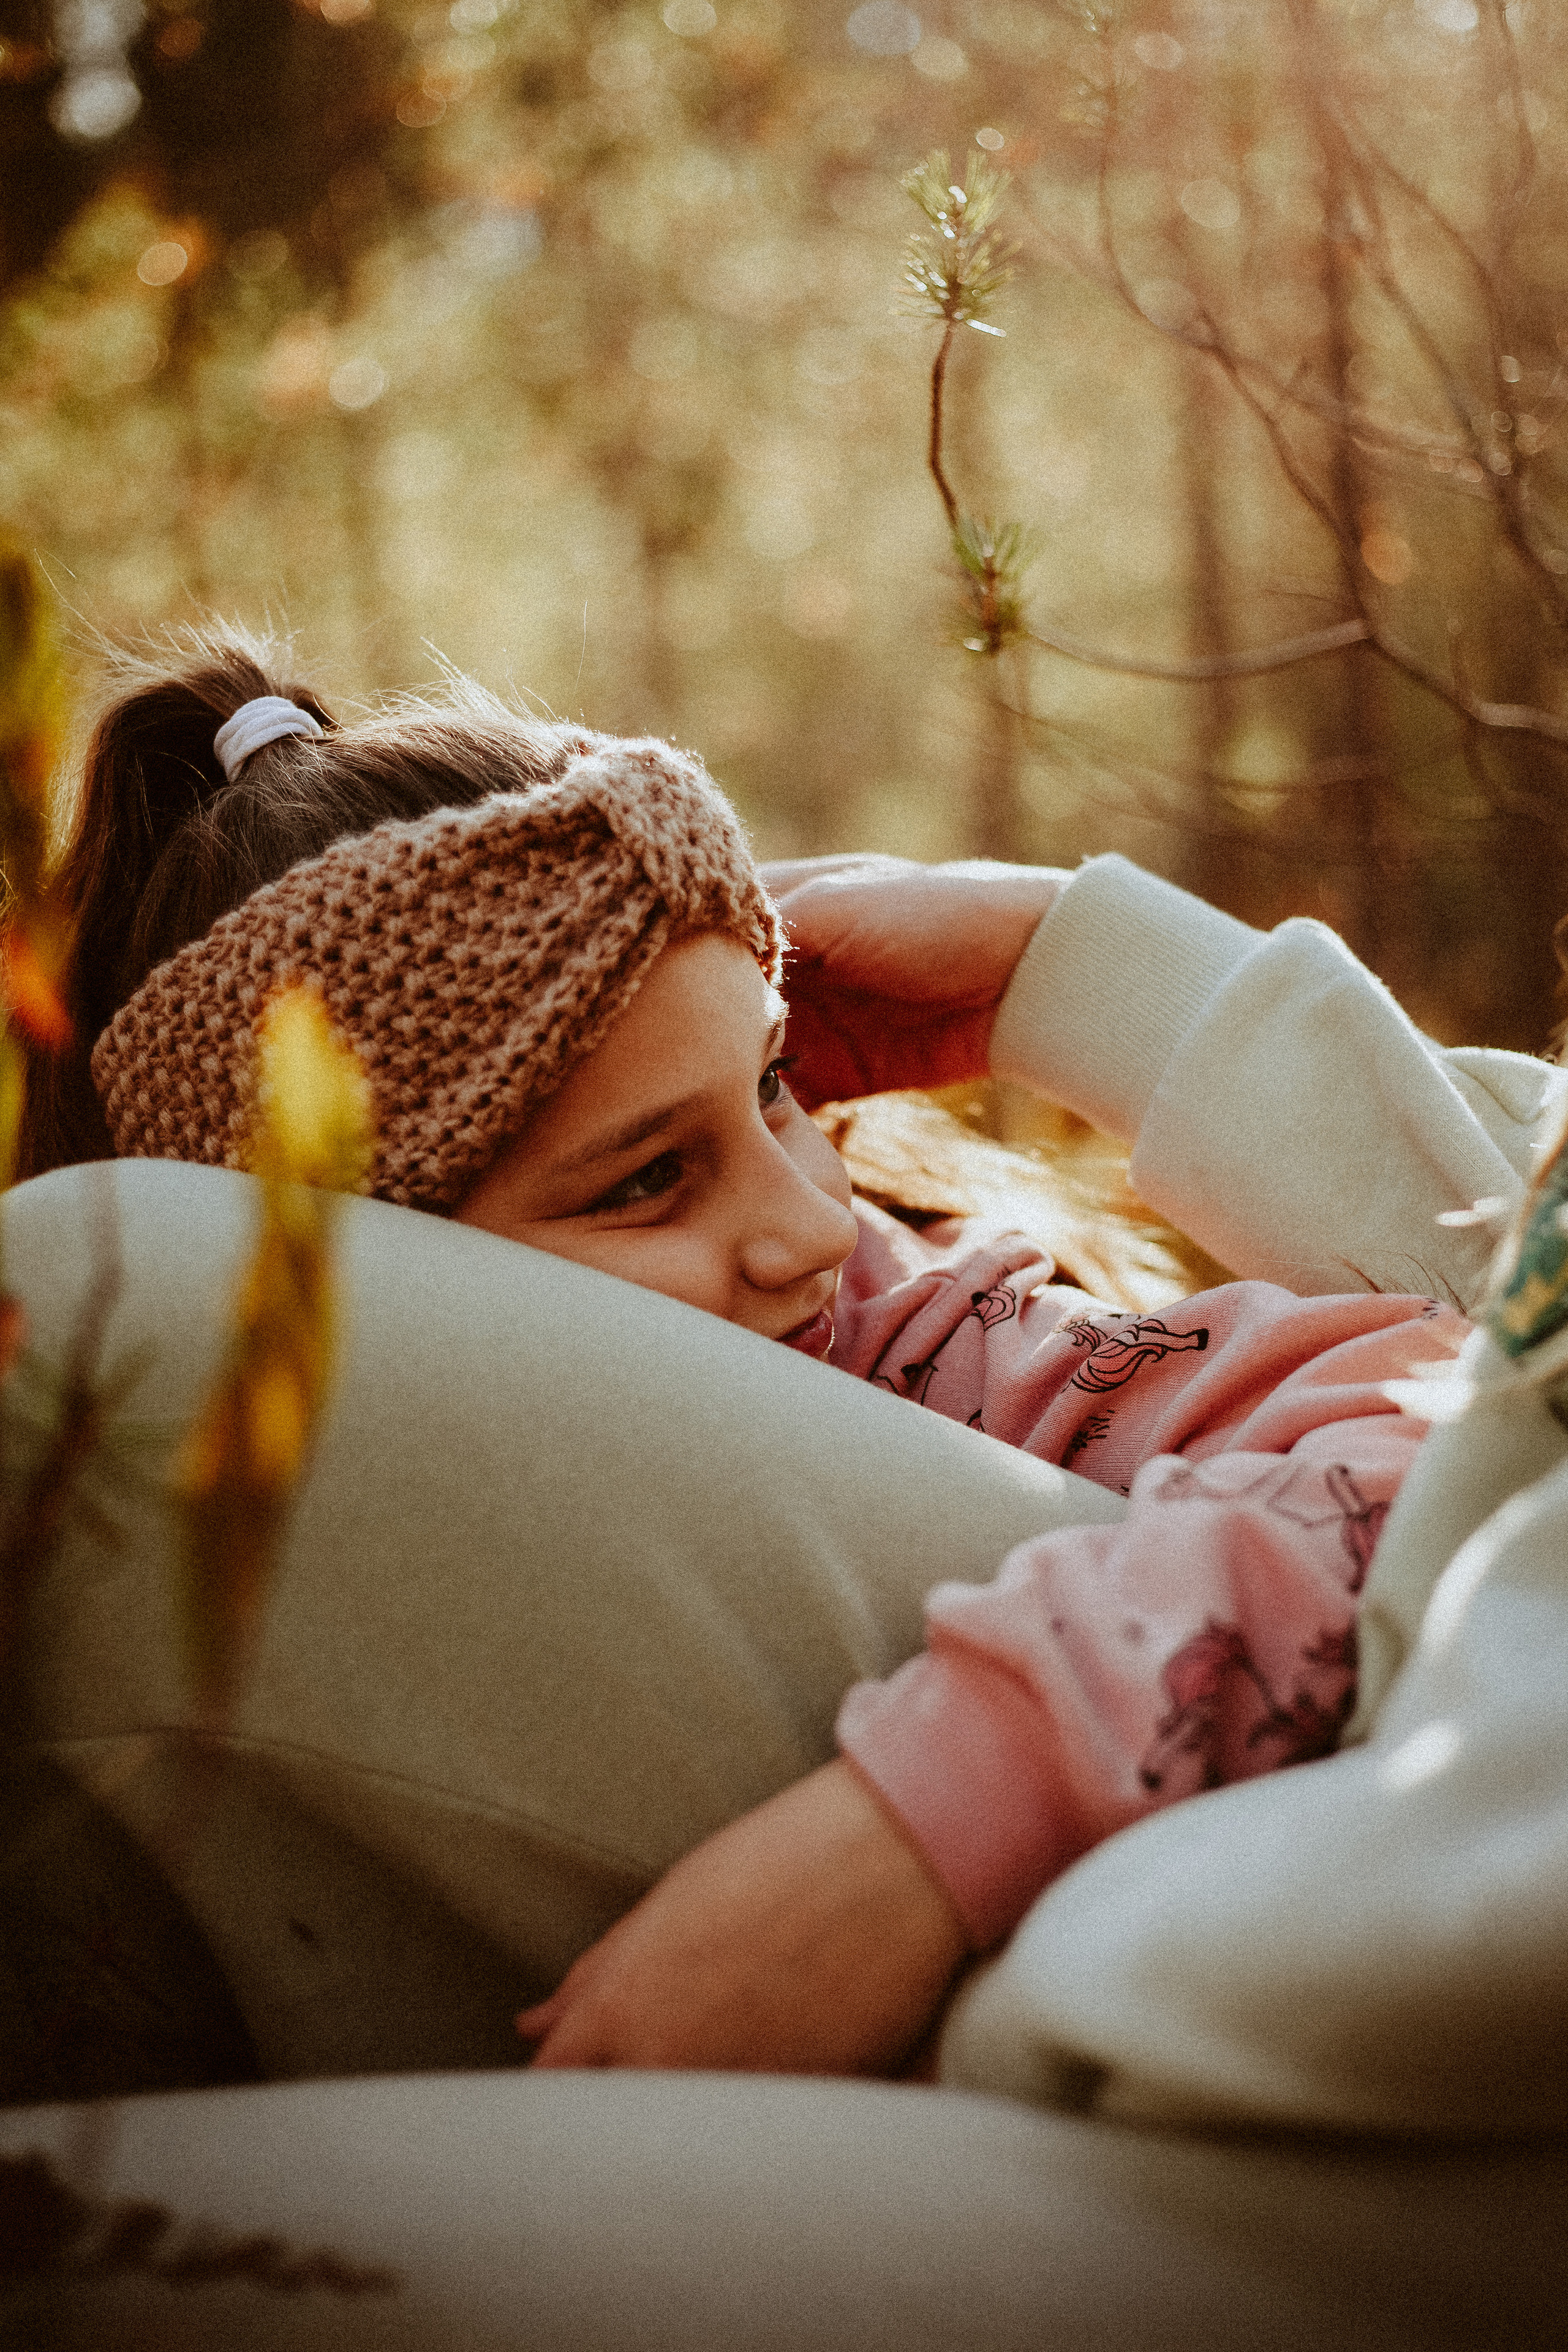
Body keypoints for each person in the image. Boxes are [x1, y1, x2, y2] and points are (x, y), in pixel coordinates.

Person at [40, 633, 1473, 2079]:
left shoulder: (930, 1351)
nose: (812, 1224)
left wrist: (932, 1812)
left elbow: (1434, 1426)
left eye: (773, 1084)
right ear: (382, 1284)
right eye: (647, 1177)